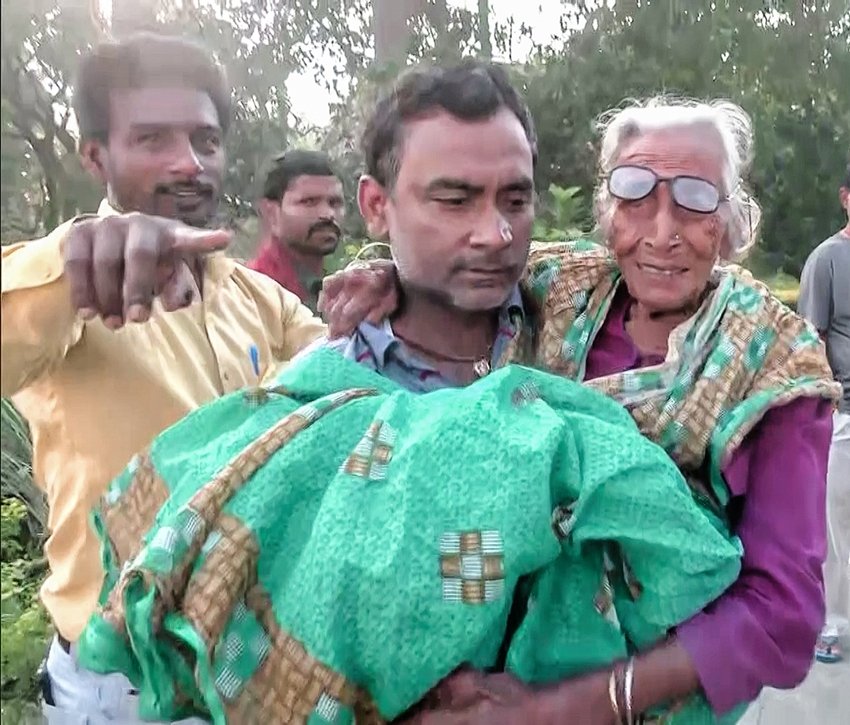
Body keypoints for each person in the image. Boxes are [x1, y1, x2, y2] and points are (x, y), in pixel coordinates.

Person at [77, 62, 742, 725]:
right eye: (454, 200)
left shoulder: (575, 342)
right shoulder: (319, 403)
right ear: (375, 205)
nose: (495, 233)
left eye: (514, 199)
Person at [320, 96, 840, 722]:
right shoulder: (561, 286)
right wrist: (386, 278)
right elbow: (453, 268)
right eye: (635, 194)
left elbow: (781, 618)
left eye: (698, 199)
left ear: (732, 222)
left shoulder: (776, 361)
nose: (662, 233)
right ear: (606, 210)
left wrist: (551, 712)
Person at [0, 32, 325, 723]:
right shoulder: (61, 278)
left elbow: (353, 379)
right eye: (152, 139)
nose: (188, 162)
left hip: (256, 669)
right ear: (97, 156)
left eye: (205, 141)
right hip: (123, 686)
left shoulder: (257, 299)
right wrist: (71, 266)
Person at [798, 163, 850, 664]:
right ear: (845, 197)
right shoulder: (828, 260)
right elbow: (810, 340)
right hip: (844, 416)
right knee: (834, 527)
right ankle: (830, 626)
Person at [248, 149, 345, 311]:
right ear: (271, 213)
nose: (328, 214)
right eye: (309, 202)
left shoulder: (343, 287)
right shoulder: (252, 292)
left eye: (334, 203)